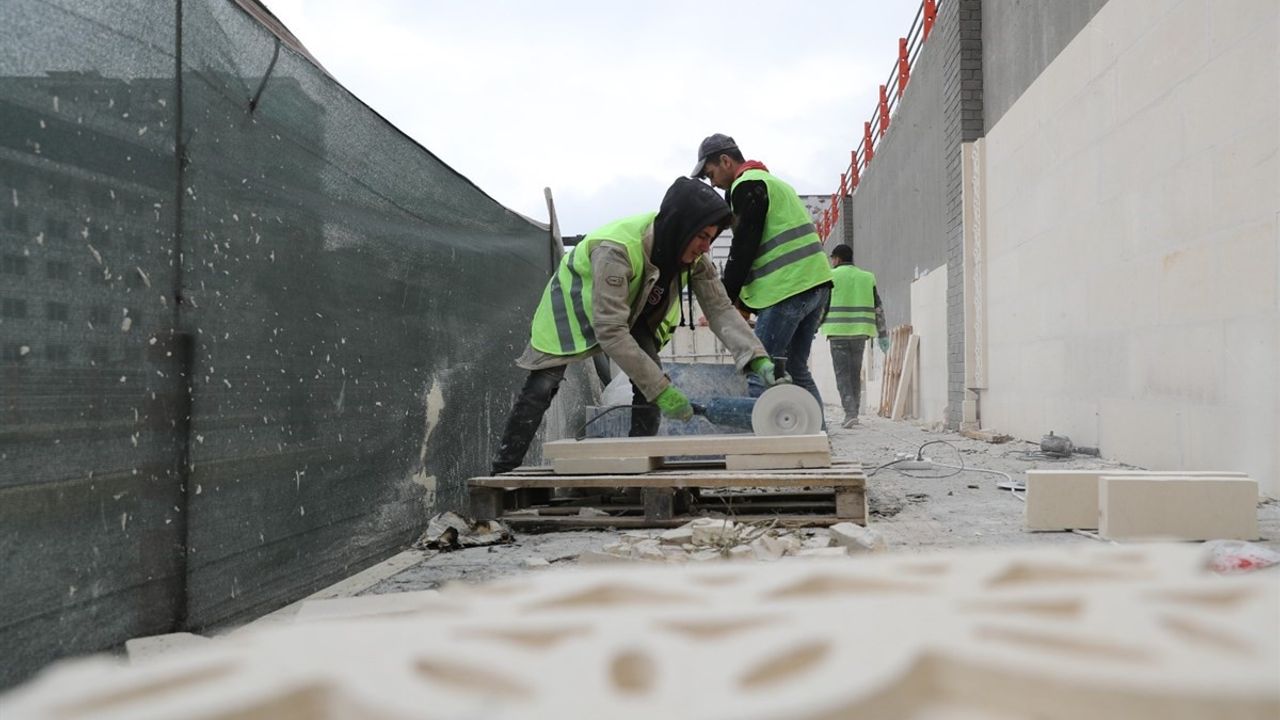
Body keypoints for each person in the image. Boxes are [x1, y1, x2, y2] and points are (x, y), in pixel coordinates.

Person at [490, 177, 780, 475]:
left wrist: (757, 358)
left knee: (650, 381)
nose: (706, 247)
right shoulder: (617, 250)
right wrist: (662, 390)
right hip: (574, 306)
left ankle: (636, 468)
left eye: (712, 238)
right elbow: (611, 330)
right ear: (682, 225)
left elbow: (720, 309)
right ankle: (502, 473)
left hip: (630, 309)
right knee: (542, 386)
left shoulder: (693, 256)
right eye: (702, 236)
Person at [691, 134, 833, 418]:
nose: (713, 183)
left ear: (726, 161)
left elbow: (743, 249)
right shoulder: (776, 185)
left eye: (711, 174)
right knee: (794, 368)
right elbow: (762, 252)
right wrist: (742, 306)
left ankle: (766, 443)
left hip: (788, 290)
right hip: (816, 288)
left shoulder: (747, 186)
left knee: (760, 369)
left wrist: (725, 301)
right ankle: (814, 438)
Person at [820, 244, 889, 428]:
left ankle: (850, 413)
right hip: (860, 333)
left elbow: (822, 306)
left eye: (832, 258)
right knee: (854, 374)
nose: (831, 261)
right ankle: (854, 412)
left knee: (842, 375)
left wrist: (813, 326)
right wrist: (883, 333)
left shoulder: (830, 276)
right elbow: (878, 308)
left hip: (838, 334)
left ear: (838, 259)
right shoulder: (867, 277)